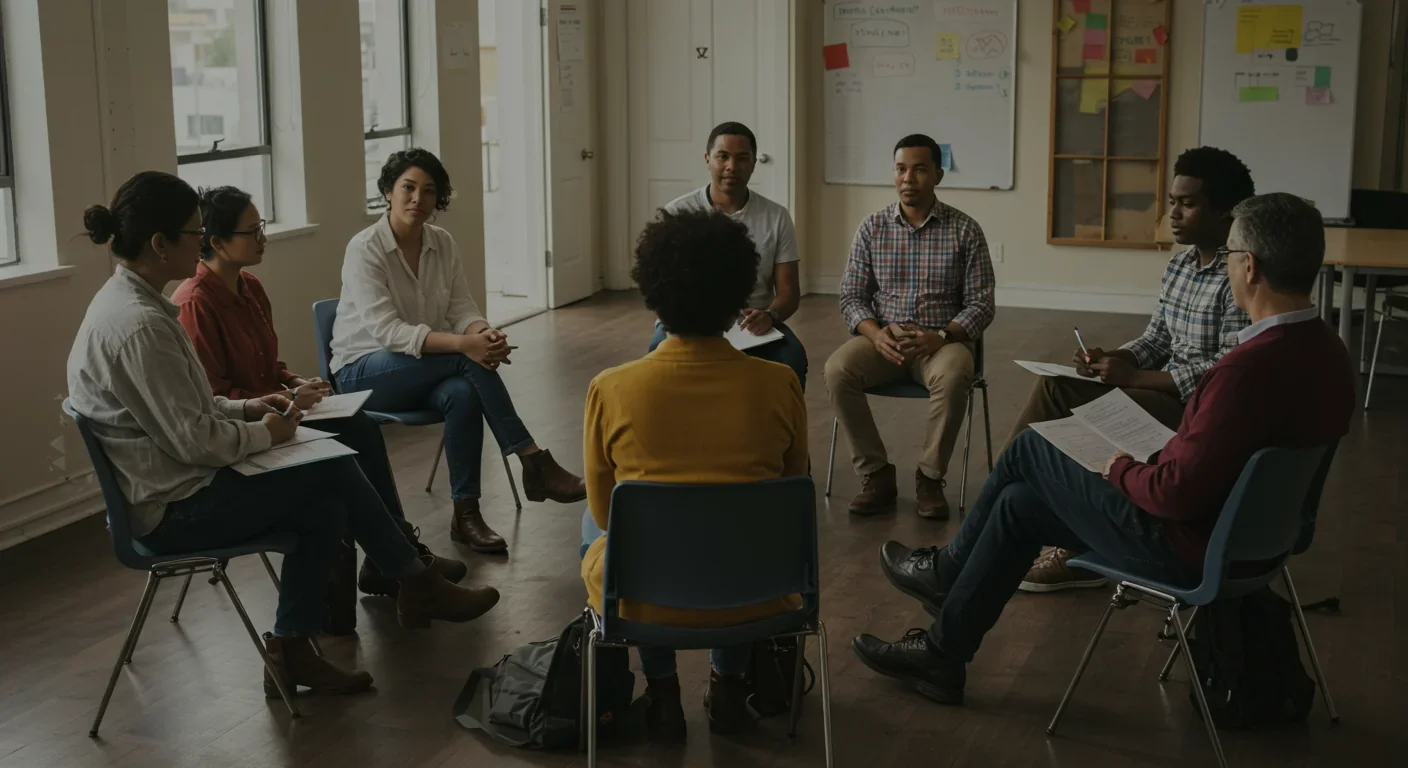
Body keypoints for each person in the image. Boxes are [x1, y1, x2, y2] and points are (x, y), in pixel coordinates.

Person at [851, 192, 1354, 707]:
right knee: (1019, 506)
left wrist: (1117, 466)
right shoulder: (1332, 354)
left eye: (1228, 257)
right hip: (1258, 542)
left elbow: (1174, 495)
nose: (1225, 268)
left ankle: (949, 571)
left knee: (1029, 447)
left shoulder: (1243, 371)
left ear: (1249, 266)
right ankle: (942, 653)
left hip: (1188, 549)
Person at [67, 171, 501, 698]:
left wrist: (251, 407)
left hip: (177, 482)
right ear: (159, 245)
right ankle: (414, 580)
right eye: (193, 233)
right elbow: (196, 442)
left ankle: (295, 649)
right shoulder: (141, 325)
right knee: (333, 467)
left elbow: (191, 407)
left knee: (324, 505)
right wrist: (268, 434)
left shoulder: (138, 307)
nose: (201, 242)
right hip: (172, 508)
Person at [172, 185, 463, 605]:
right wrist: (284, 397)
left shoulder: (250, 286)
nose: (262, 239)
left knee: (359, 426)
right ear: (216, 242)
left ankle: (394, 556)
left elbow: (267, 368)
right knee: (339, 459)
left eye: (263, 227)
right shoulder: (194, 304)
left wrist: (294, 382)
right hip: (244, 432)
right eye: (252, 232)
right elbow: (215, 397)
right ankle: (399, 559)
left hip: (278, 412)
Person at [581, 209, 809, 741]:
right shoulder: (780, 385)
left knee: (603, 524)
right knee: (736, 521)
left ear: (652, 293)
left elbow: (599, 508)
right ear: (738, 299)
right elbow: (791, 492)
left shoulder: (611, 389)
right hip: (761, 590)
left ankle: (662, 696)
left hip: (641, 596)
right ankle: (728, 686)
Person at [1014, 147, 1255, 594]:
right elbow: (1157, 339)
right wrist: (1117, 358)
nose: (1174, 213)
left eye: (1187, 203)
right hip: (1159, 392)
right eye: (1172, 201)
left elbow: (1227, 369)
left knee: (1085, 414)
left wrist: (1136, 379)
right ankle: (1022, 500)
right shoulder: (1181, 265)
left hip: (1197, 411)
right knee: (1056, 387)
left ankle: (1062, 537)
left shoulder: (1239, 273)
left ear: (1224, 211)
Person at [331, 148, 585, 555]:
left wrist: (484, 333)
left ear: (439, 198)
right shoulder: (364, 249)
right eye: (408, 188)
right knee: (462, 362)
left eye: (429, 191)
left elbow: (461, 308)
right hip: (362, 372)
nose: (418, 199)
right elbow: (388, 332)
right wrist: (466, 346)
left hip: (420, 368)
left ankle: (466, 515)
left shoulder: (442, 243)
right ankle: (533, 460)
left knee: (463, 392)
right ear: (388, 192)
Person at [823, 133, 995, 520]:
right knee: (837, 370)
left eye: (919, 169)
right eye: (901, 169)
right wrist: (874, 333)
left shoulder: (964, 230)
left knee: (955, 376)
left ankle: (930, 478)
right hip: (885, 337)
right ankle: (877, 475)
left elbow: (982, 304)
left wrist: (943, 337)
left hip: (941, 339)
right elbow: (851, 296)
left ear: (938, 175)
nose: (908, 178)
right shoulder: (872, 228)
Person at [648, 122, 807, 387]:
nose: (731, 166)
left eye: (742, 158)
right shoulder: (678, 212)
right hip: (686, 322)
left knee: (792, 359)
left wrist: (770, 316)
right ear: (708, 159)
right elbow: (660, 286)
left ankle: (778, 428)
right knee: (656, 364)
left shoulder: (776, 217)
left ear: (754, 163)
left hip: (752, 324)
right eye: (723, 156)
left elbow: (789, 293)